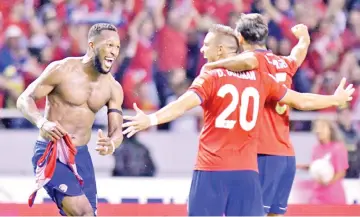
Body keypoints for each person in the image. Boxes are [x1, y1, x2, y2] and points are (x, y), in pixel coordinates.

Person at [122, 24, 354, 216]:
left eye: (207, 44)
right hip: (246, 172)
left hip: (211, 169)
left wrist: (150, 120)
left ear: (221, 49)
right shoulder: (261, 78)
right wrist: (335, 99)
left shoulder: (211, 76)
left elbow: (181, 106)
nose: (202, 50)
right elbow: (301, 101)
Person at [202, 14, 311, 216]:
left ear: (240, 38)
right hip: (286, 154)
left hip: (263, 152)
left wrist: (212, 65)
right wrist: (304, 37)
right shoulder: (283, 63)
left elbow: (247, 62)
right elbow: (299, 52)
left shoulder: (253, 61)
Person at [16, 23, 124, 216]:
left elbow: (116, 131)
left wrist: (112, 144)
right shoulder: (62, 69)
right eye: (109, 45)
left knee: (87, 214)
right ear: (91, 46)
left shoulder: (113, 88)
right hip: (52, 151)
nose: (114, 51)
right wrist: (42, 122)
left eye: (117, 47)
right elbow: (24, 99)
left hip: (81, 156)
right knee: (84, 214)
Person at [297, 119, 349, 204]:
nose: (318, 130)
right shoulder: (316, 148)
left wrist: (327, 182)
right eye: (317, 127)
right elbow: (315, 167)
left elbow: (341, 172)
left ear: (330, 130)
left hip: (334, 197)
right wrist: (300, 166)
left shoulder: (338, 148)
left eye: (322, 127)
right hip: (316, 197)